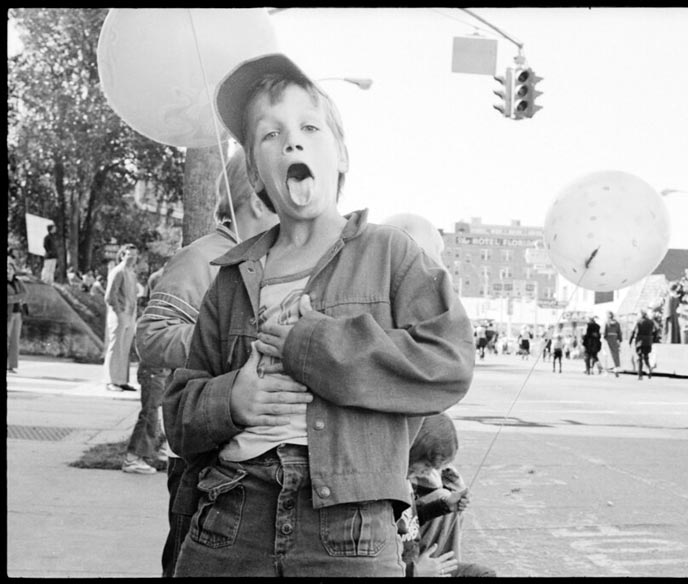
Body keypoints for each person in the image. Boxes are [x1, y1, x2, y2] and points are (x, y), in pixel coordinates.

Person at [162, 52, 474, 577]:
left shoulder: (392, 255)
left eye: (309, 126)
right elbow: (178, 419)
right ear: (257, 174)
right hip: (231, 517)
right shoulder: (233, 276)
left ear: (342, 155)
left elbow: (448, 364)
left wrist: (314, 345)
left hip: (349, 529)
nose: (292, 141)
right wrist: (231, 399)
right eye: (269, 134)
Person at [136, 147, 279, 577]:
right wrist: (228, 341)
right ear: (257, 200)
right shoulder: (205, 256)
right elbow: (152, 334)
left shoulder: (263, 260)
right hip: (200, 461)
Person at [400, 413, 495, 578]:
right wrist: (413, 572)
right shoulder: (386, 490)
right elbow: (376, 565)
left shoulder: (406, 482)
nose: (428, 472)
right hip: (407, 570)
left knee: (484, 574)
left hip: (418, 564)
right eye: (427, 465)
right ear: (413, 450)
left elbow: (411, 521)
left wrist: (445, 506)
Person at [122, 267, 170, 475]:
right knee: (150, 411)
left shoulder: (157, 313)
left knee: (157, 409)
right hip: (154, 367)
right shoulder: (155, 316)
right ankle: (134, 457)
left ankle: (155, 448)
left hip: (158, 366)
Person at [104, 244, 139, 392]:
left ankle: (122, 380)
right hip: (119, 314)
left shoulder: (131, 273)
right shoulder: (117, 271)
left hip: (130, 315)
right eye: (129, 255)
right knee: (115, 347)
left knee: (124, 349)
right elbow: (110, 296)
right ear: (123, 255)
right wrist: (119, 313)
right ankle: (111, 380)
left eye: (134, 255)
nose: (132, 258)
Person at [7, 257, 29, 374]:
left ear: (14, 270)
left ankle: (12, 365)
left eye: (10, 268)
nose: (8, 270)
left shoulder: (18, 282)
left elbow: (25, 294)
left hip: (17, 314)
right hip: (8, 314)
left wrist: (13, 299)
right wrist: (16, 298)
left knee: (15, 340)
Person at [629, 309, 657, 380]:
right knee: (646, 356)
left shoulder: (638, 321)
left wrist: (630, 340)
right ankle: (649, 368)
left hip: (640, 341)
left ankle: (640, 374)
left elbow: (633, 331)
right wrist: (653, 339)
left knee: (639, 358)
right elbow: (656, 330)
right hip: (648, 341)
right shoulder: (651, 322)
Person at [603, 311, 622, 377]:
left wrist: (604, 339)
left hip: (608, 339)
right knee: (615, 355)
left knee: (607, 355)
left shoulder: (606, 323)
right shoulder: (617, 323)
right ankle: (616, 369)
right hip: (615, 339)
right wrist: (620, 340)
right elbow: (619, 332)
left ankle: (606, 371)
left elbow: (604, 332)